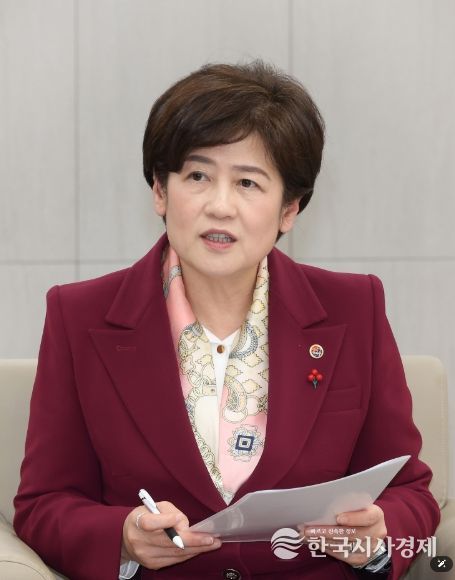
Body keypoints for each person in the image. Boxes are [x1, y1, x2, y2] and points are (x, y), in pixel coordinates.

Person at [14, 61, 440, 580]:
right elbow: (43, 504)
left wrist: (378, 538)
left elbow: (409, 491)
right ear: (160, 190)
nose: (220, 206)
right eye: (197, 176)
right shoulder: (79, 316)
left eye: (247, 183)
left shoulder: (355, 308)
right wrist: (123, 539)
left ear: (289, 209)